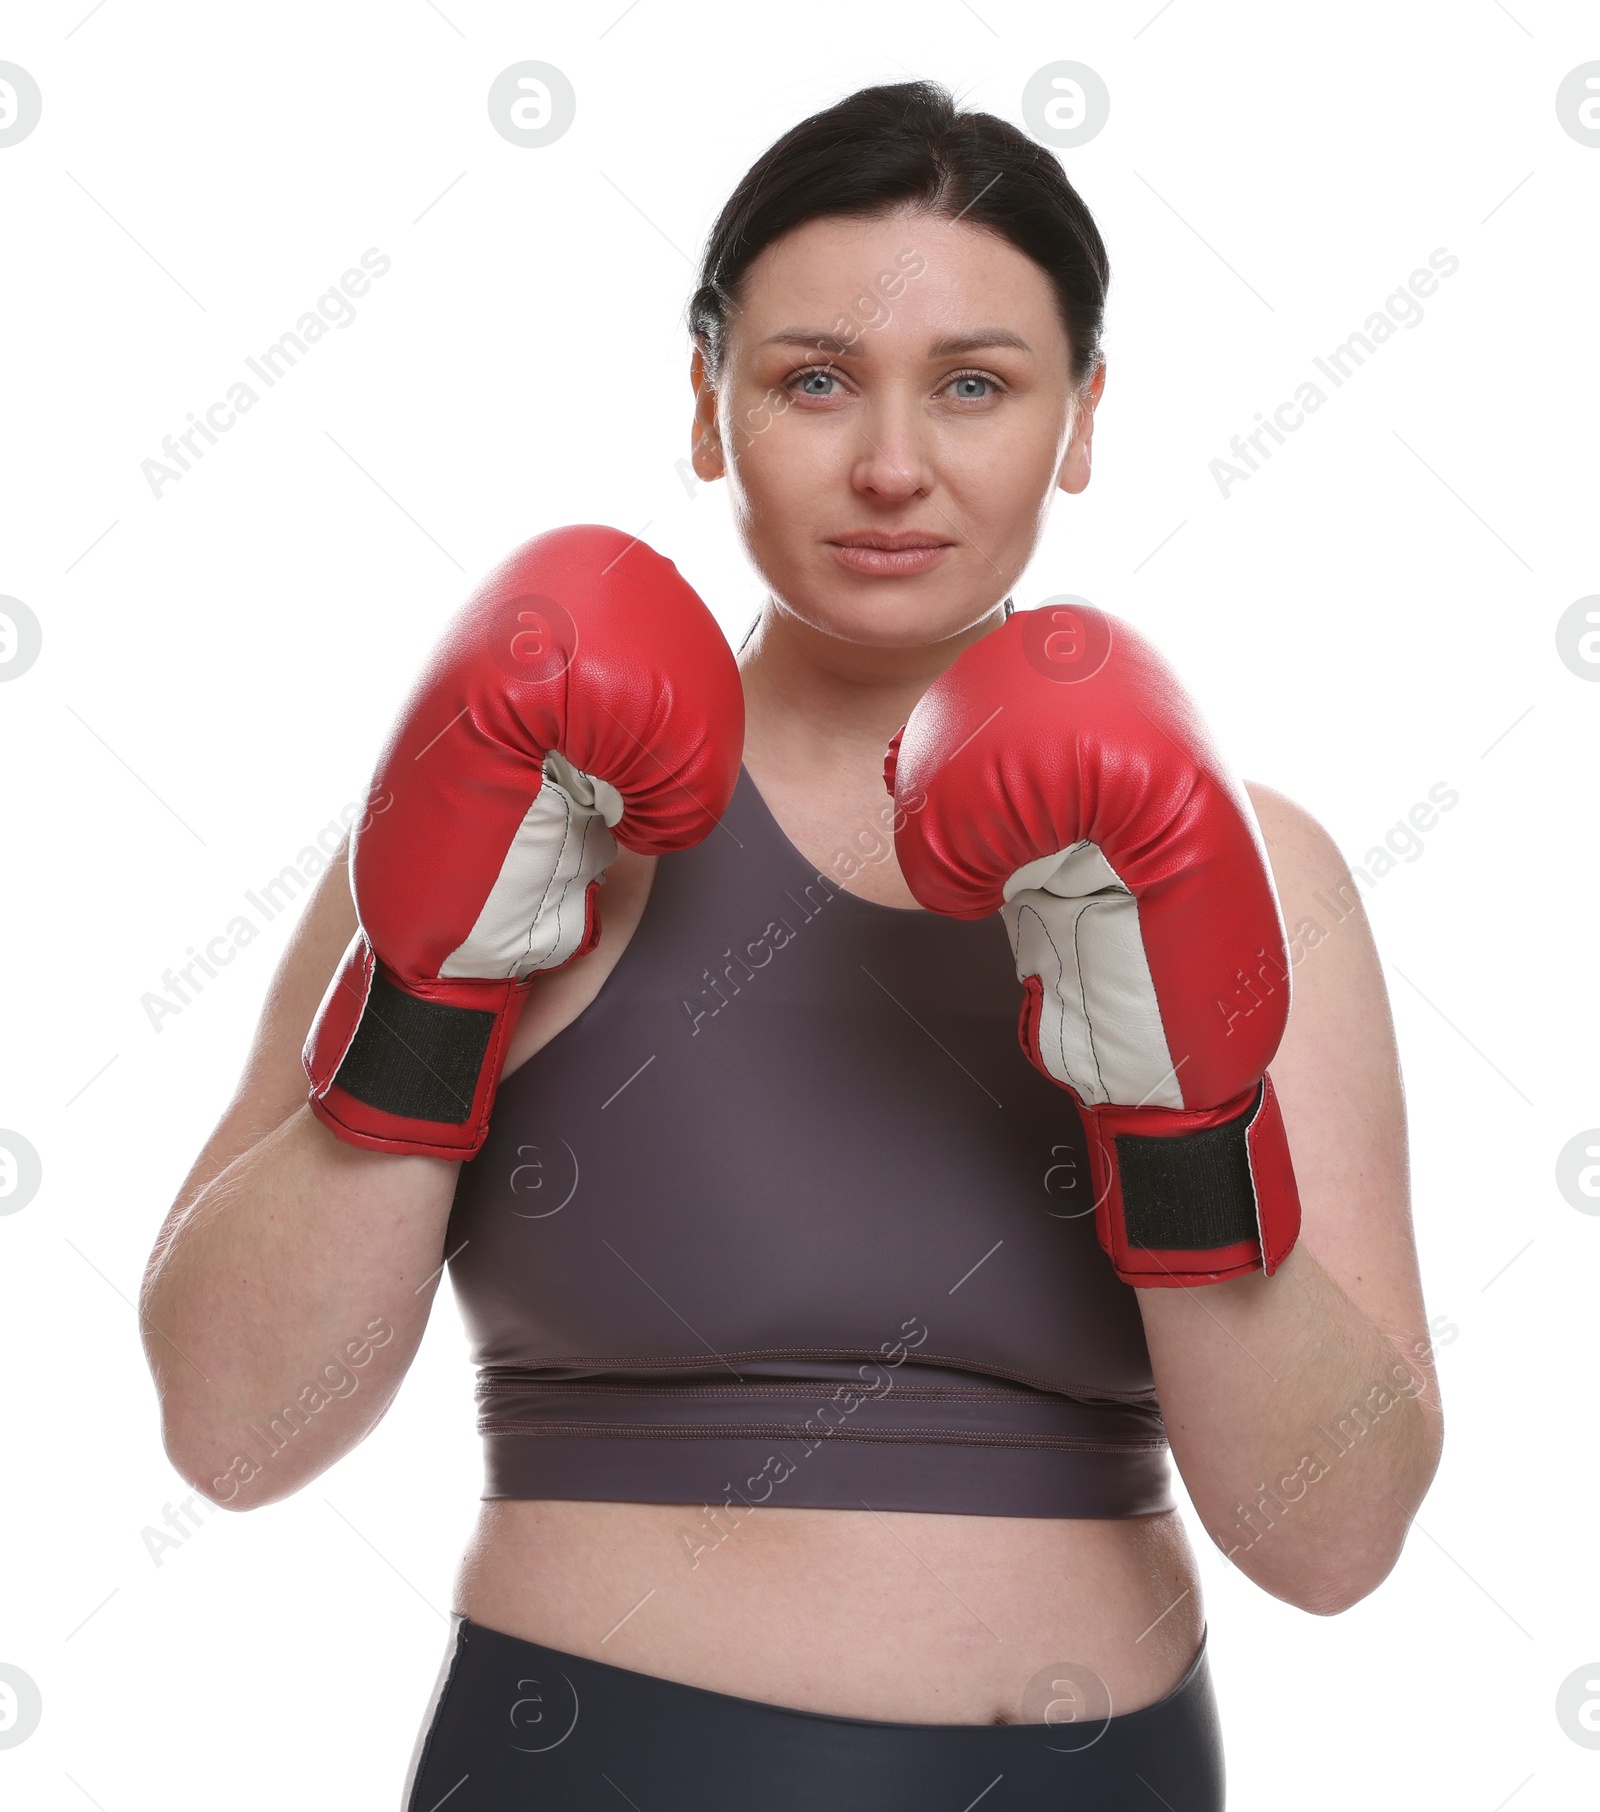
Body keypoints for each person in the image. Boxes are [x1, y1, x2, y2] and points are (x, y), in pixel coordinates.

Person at [139, 81, 1443, 1810]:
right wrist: (439, 989)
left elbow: (1337, 1542)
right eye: (813, 378)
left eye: (975, 383)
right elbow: (235, 1436)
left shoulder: (1256, 871)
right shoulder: (521, 799)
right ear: (707, 405)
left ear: (1081, 417)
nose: (892, 463)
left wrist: (1180, 1118)